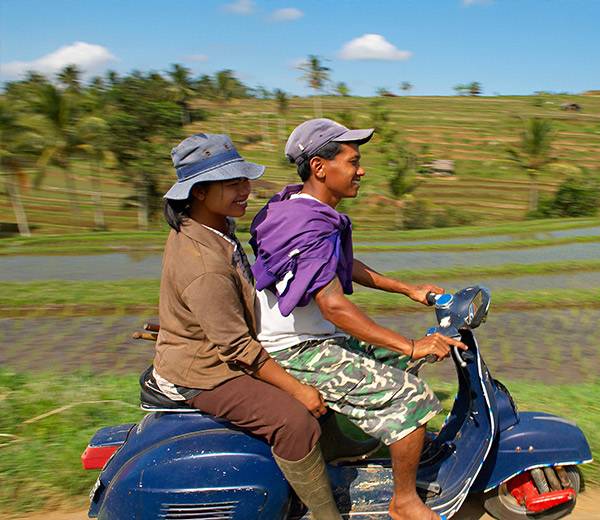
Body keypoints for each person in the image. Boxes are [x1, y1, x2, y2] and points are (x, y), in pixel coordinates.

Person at [250, 119, 467, 520]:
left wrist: (408, 289)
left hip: (313, 338)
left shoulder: (299, 207)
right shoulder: (308, 224)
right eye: (353, 162)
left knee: (403, 363)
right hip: (294, 349)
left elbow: (342, 267)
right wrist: (410, 343)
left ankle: (355, 445)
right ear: (320, 167)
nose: (361, 170)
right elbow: (333, 305)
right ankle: (404, 502)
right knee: (411, 397)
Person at [152, 133, 342, 520]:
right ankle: (326, 515)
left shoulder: (214, 227)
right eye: (232, 183)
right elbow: (236, 348)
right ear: (199, 193)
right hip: (208, 372)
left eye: (244, 180)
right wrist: (299, 391)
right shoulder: (202, 263)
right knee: (295, 422)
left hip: (217, 353)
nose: (245, 190)